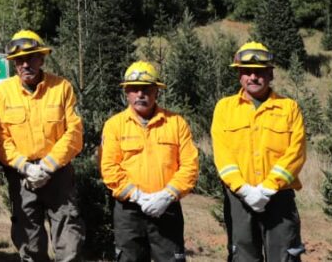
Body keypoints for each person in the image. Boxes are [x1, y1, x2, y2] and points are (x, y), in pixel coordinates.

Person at [0, 30, 84, 262]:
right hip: (21, 175)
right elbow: (0, 137)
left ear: (42, 59)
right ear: (13, 64)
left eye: (31, 58)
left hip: (58, 174)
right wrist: (24, 166)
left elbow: (74, 132)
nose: (25, 64)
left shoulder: (61, 87)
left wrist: (48, 165)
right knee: (28, 238)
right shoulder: (4, 92)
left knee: (68, 234)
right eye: (19, 60)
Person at [212, 41, 307, 261]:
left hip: (279, 197)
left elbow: (297, 152)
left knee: (285, 256)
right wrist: (244, 189)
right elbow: (222, 154)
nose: (253, 77)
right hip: (239, 197)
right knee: (243, 256)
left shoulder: (289, 108)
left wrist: (268, 188)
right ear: (239, 75)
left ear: (271, 74)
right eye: (247, 72)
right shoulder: (224, 108)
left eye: (259, 72)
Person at [100, 61, 199, 262]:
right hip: (128, 211)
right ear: (126, 93)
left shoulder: (176, 123)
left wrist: (167, 195)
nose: (140, 94)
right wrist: (137, 196)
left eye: (146, 89)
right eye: (134, 89)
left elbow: (190, 166)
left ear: (157, 92)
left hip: (167, 208)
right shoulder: (114, 126)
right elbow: (109, 168)